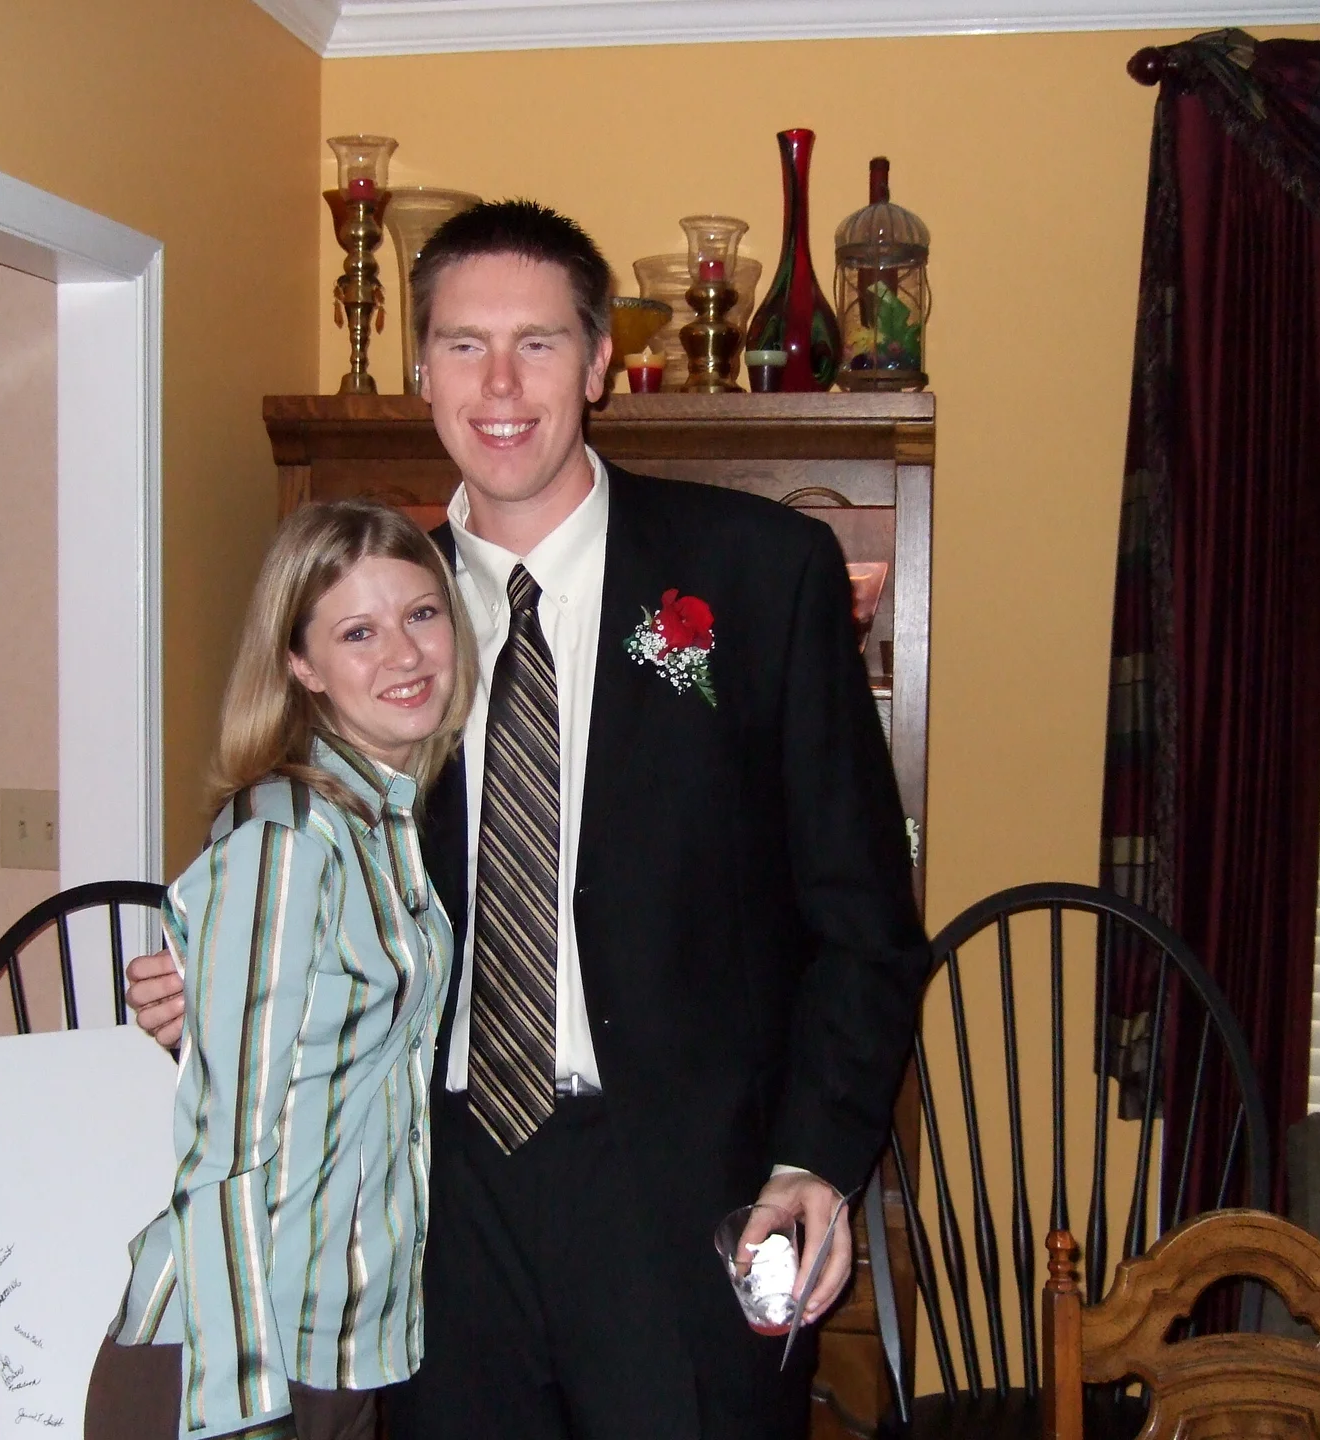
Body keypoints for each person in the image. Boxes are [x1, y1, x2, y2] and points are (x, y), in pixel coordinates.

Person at [127, 200, 929, 1440]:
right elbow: (312, 853)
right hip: (428, 1204)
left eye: (537, 343)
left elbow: (863, 920)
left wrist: (810, 1158)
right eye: (464, 344)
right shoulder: (379, 614)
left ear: (599, 361)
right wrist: (224, 985)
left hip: (684, 1193)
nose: (499, 385)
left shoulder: (758, 573)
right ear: (422, 369)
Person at [86, 500, 478, 1440]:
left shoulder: (386, 824)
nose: (405, 653)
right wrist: (243, 1406)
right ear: (301, 665)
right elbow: (222, 1151)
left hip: (342, 1344)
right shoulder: (287, 841)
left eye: (421, 614)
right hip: (232, 1365)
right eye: (358, 632)